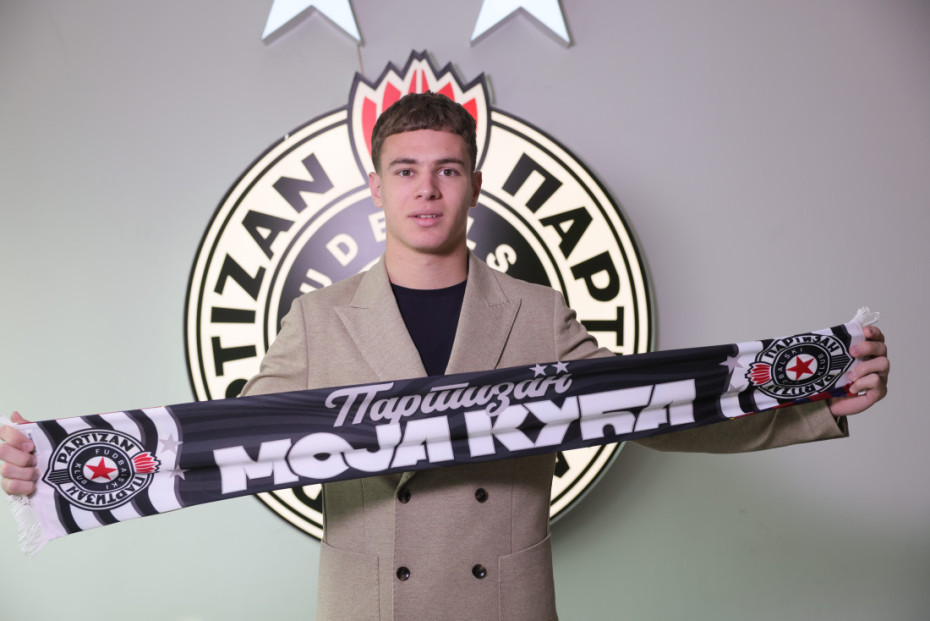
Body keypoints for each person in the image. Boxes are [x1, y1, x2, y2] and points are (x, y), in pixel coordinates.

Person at [0, 92, 890, 620]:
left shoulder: (538, 312)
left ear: (474, 184)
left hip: (501, 604)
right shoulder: (318, 318)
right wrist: (57, 466)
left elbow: (658, 409)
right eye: (406, 169)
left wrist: (816, 397)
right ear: (375, 186)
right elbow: (220, 443)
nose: (426, 189)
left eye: (448, 169)